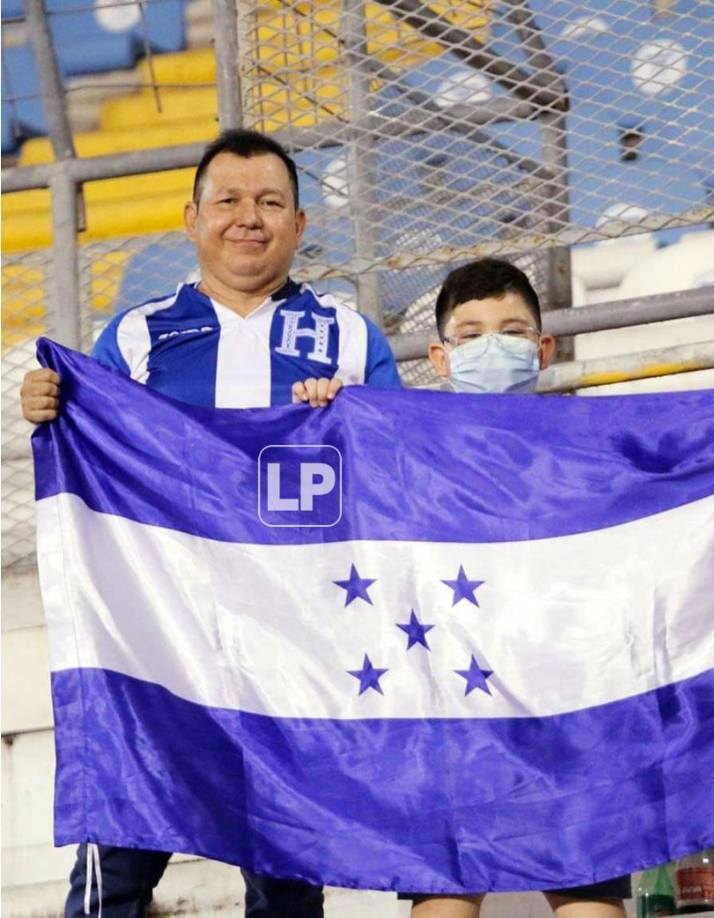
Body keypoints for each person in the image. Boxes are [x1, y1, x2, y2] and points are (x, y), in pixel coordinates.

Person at [21, 128, 400, 917]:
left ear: (300, 225)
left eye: (270, 203)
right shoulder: (134, 335)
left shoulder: (349, 337)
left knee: (287, 874)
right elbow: (90, 456)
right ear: (192, 219)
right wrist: (46, 410)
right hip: (159, 634)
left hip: (297, 643)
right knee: (116, 860)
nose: (248, 219)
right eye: (228, 201)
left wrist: (350, 421)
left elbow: (400, 470)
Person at [407, 257, 628, 918]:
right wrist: (317, 407)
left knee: (588, 900)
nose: (492, 347)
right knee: (444, 902)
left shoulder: (592, 448)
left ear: (543, 347)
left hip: (567, 703)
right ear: (440, 357)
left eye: (510, 331)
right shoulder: (400, 450)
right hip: (450, 701)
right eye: (470, 335)